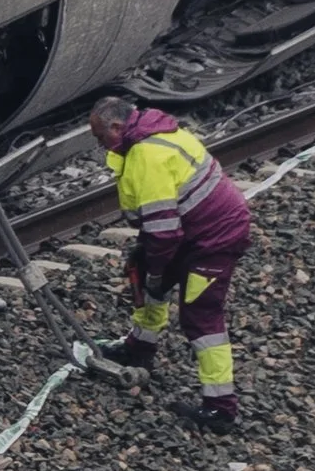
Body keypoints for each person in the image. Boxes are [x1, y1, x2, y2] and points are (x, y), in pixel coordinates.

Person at [87, 91, 251, 427]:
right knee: (145, 270)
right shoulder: (152, 133)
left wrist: (158, 273)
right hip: (193, 230)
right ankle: (140, 347)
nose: (100, 145)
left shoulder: (147, 155)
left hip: (214, 239)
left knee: (201, 317)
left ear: (118, 127)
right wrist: (150, 267)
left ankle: (221, 408)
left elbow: (164, 232)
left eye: (100, 137)